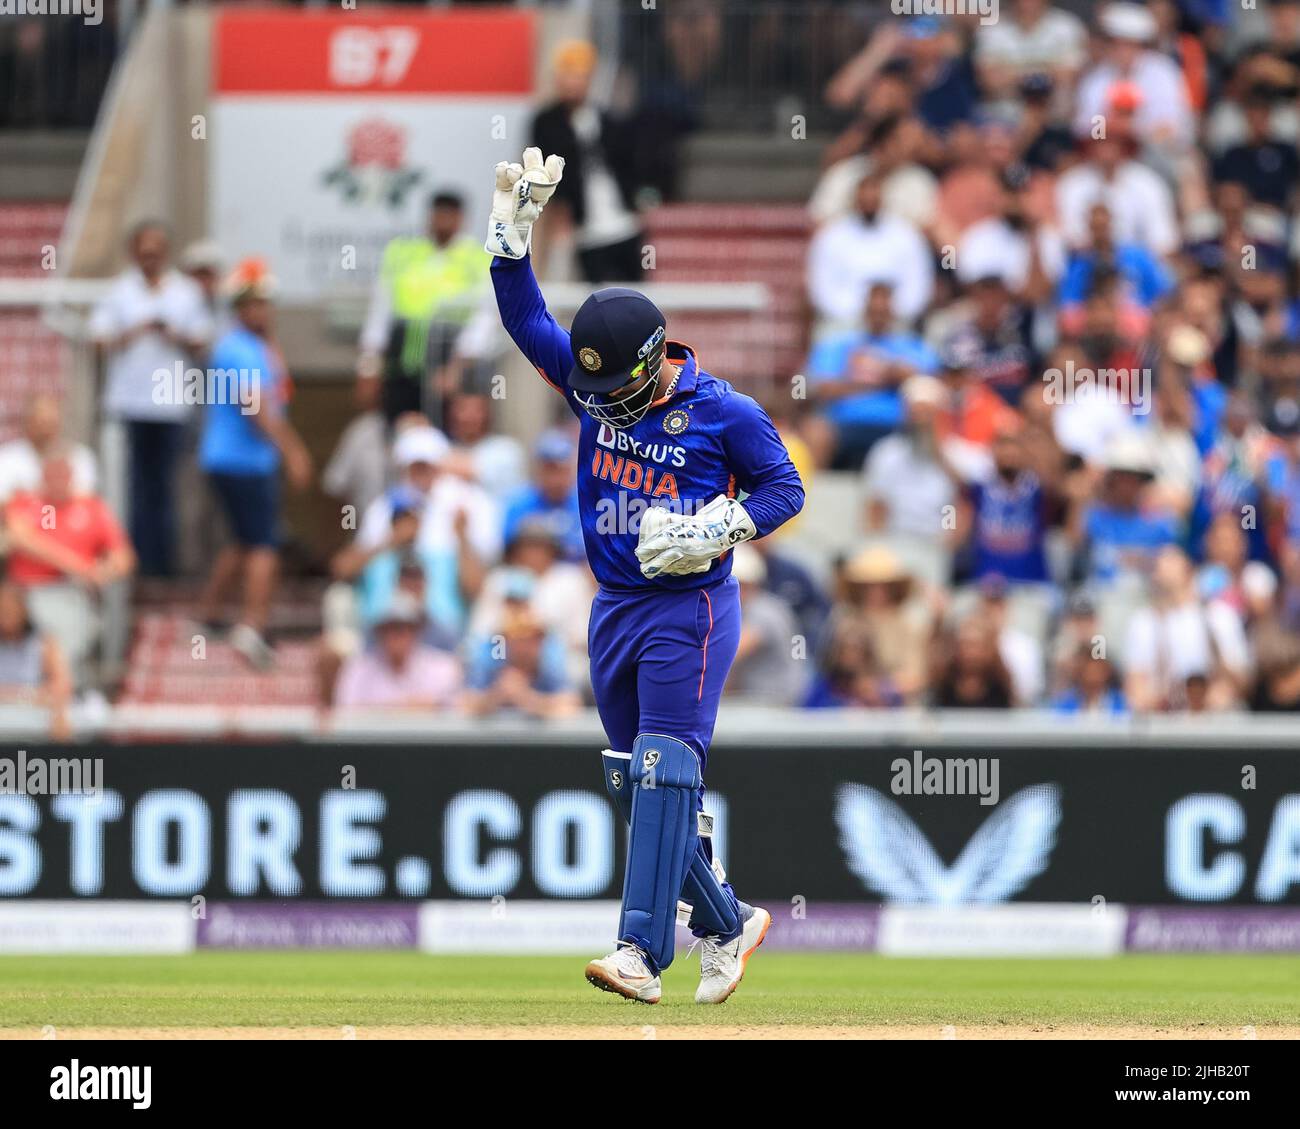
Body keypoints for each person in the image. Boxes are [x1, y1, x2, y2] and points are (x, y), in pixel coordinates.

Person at [487, 148, 804, 1004]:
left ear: (658, 357)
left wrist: (717, 527)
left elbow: (786, 487)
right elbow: (526, 323)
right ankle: (730, 920)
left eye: (624, 395)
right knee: (633, 777)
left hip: (691, 604)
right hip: (614, 604)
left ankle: (639, 948)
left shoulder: (724, 410)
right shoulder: (594, 387)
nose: (610, 413)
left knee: (666, 765)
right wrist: (510, 237)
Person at [194, 259, 313, 671]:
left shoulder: (253, 346)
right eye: (253, 304)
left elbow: (276, 383)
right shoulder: (236, 348)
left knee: (244, 540)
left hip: (236, 460)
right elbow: (257, 408)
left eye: (265, 303)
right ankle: (253, 626)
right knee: (264, 545)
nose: (262, 311)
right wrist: (293, 451)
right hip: (243, 461)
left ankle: (209, 613)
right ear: (239, 307)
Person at [89, 220, 212, 576]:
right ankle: (135, 561)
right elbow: (98, 340)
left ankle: (163, 564)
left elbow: (203, 341)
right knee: (133, 487)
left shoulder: (186, 292)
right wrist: (135, 332)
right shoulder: (119, 292)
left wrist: (174, 334)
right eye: (145, 252)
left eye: (156, 252)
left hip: (171, 405)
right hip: (129, 404)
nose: (151, 258)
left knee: (166, 487)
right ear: (134, 254)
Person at [358, 191, 486, 423]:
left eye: (449, 215)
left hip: (447, 358)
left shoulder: (477, 258)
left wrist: (456, 368)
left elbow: (483, 317)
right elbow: (381, 310)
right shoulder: (402, 251)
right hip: (403, 357)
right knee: (397, 423)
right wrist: (370, 365)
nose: (442, 221)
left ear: (460, 219)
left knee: (442, 428)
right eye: (439, 214)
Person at [531, 40, 643, 283]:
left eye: (579, 76)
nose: (573, 83)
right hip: (581, 227)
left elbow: (627, 163)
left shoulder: (606, 120)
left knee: (635, 293)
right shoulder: (547, 122)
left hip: (622, 221)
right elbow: (546, 167)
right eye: (568, 75)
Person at [333, 592, 462, 711]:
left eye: (403, 628)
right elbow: (345, 714)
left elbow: (459, 709)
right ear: (379, 632)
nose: (395, 635)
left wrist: (434, 705)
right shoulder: (358, 669)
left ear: (417, 630)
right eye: (389, 628)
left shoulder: (444, 668)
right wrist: (403, 708)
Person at [0, 580, 73, 741]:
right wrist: (27, 695)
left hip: (33, 728)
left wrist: (57, 711)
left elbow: (60, 685)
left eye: (10, 609)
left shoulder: (44, 643)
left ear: (23, 610)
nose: (5, 615)